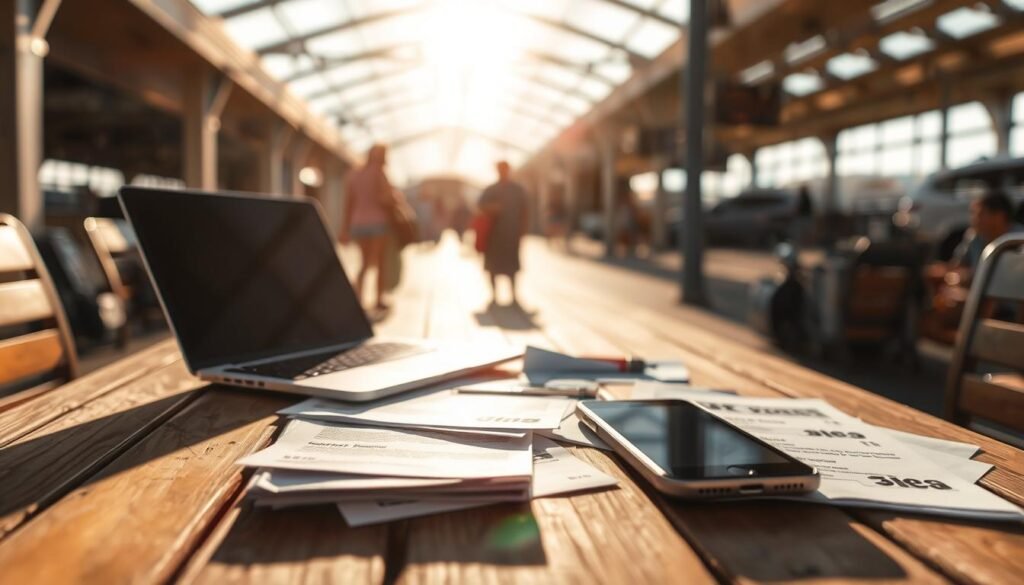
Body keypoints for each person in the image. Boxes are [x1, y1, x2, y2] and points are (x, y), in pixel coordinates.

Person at [921, 190, 1023, 343]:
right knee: (929, 318)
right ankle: (968, 345)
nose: (974, 220)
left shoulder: (1018, 241)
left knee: (938, 318)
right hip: (978, 300)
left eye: (980, 214)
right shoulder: (975, 237)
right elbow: (956, 267)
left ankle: (972, 344)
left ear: (999, 216)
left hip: (1006, 308)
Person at [341, 144, 397, 310]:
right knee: (380, 263)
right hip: (378, 223)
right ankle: (378, 300)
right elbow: (388, 198)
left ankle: (357, 297)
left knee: (364, 263)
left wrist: (344, 228)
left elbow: (348, 203)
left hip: (358, 223)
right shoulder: (380, 173)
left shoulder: (355, 174)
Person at [479, 161, 529, 306]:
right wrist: (492, 208)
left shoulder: (517, 190)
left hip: (511, 234)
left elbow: (525, 211)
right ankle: (494, 296)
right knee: (492, 267)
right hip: (493, 236)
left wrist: (522, 231)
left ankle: (514, 295)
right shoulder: (490, 189)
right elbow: (480, 206)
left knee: (512, 266)